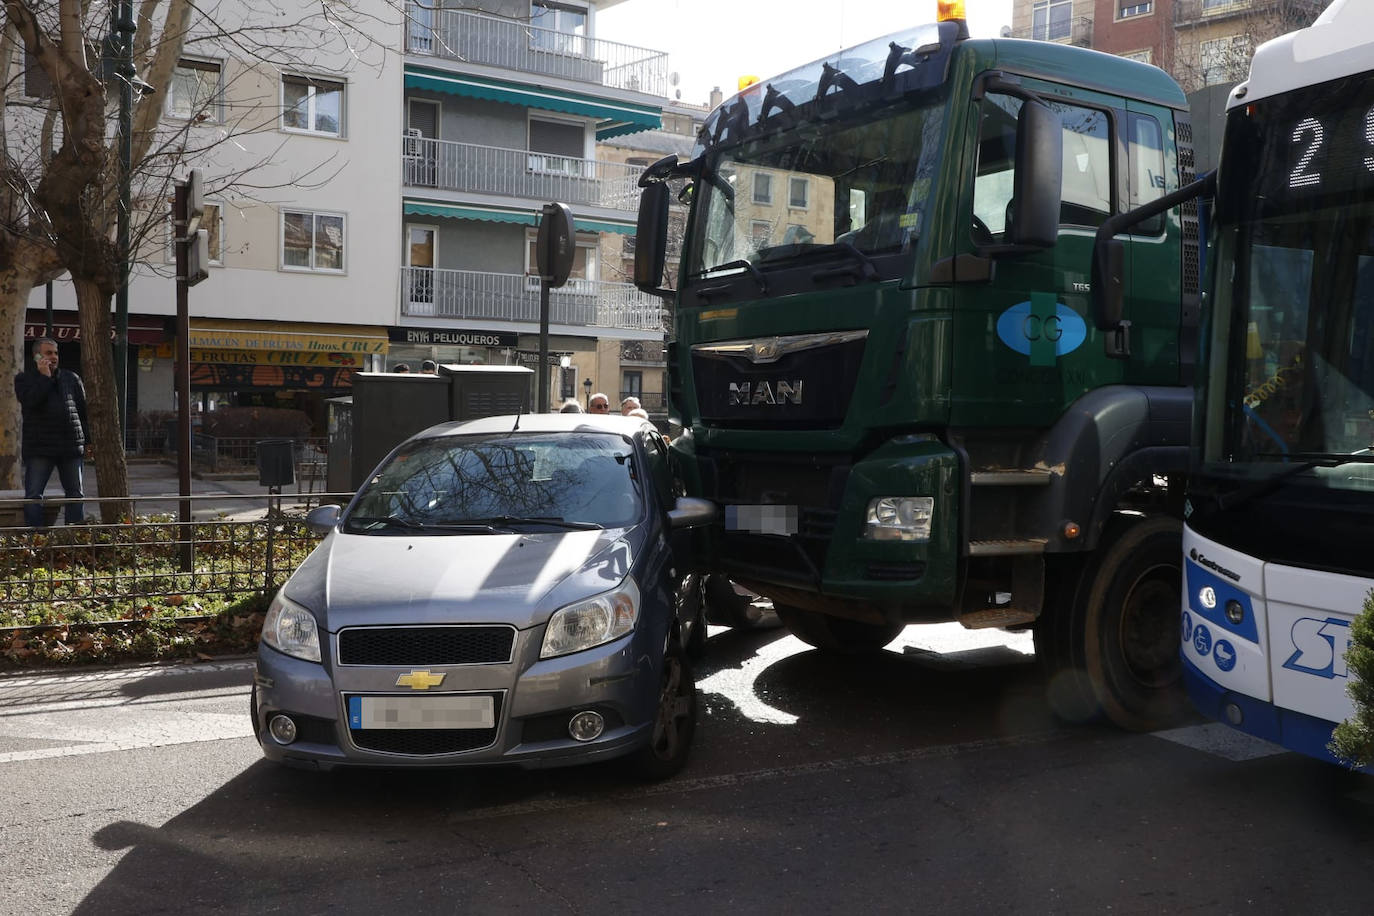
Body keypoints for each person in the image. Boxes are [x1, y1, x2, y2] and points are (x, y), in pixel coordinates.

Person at [14, 337, 88, 527]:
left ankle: (74, 537)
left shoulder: (71, 378)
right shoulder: (24, 379)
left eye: (56, 353)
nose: (53, 357)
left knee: (75, 493)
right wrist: (44, 377)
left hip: (70, 445)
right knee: (33, 494)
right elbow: (31, 401)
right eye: (48, 353)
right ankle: (36, 538)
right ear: (37, 356)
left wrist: (87, 441)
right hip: (40, 447)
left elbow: (82, 411)